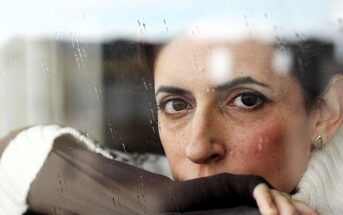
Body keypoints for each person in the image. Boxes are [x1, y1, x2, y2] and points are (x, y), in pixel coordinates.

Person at [1, 22, 343, 214]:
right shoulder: (157, 180)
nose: (197, 147)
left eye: (246, 100)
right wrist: (147, 202)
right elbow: (13, 158)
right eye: (176, 105)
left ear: (325, 113)